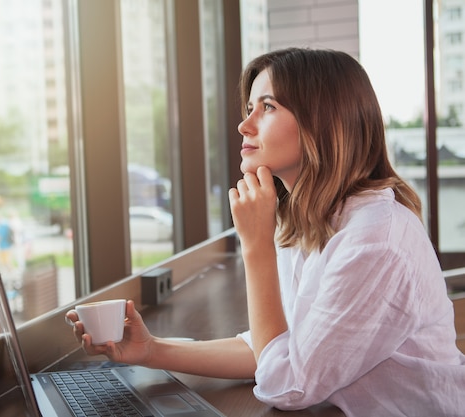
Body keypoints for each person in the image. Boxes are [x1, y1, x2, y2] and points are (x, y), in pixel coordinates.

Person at [66, 48, 465, 416]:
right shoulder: (310, 221)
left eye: (268, 106)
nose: (244, 124)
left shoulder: (376, 242)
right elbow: (274, 348)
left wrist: (256, 246)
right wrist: (150, 351)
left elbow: (288, 385)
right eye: (249, 107)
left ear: (323, 123)